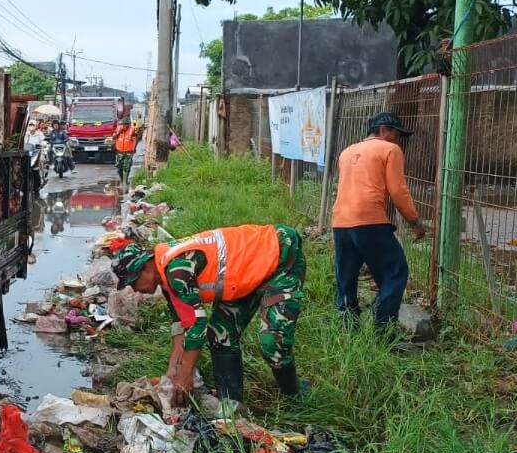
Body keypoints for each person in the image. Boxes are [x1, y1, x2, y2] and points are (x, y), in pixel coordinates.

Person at [111, 223, 306, 407]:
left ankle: (293, 397)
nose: (135, 289)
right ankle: (231, 406)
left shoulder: (176, 271)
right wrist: (173, 371)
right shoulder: (165, 276)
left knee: (273, 343)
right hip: (242, 276)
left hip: (280, 254)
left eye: (134, 282)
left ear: (146, 267)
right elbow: (181, 323)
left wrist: (186, 373)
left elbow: (197, 323)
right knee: (220, 334)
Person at [331, 111, 426, 334]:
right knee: (396, 272)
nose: (398, 139)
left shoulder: (346, 152)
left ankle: (348, 329)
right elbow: (398, 191)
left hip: (340, 222)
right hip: (369, 220)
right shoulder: (390, 149)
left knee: (346, 277)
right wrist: (414, 222)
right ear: (383, 130)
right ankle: (382, 328)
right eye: (396, 134)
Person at [114, 117, 141, 185]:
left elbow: (138, 136)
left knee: (127, 167)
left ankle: (125, 182)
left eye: (124, 125)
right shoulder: (118, 129)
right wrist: (119, 132)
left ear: (128, 125)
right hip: (119, 152)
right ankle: (122, 180)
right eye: (122, 124)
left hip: (128, 152)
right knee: (118, 167)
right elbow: (113, 137)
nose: (123, 126)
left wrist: (134, 148)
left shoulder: (132, 130)